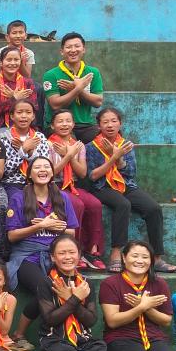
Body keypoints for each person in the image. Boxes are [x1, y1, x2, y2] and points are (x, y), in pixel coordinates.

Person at [85, 105, 176, 273]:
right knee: (123, 204)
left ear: (120, 123)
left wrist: (119, 158)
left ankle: (157, 258)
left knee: (153, 208)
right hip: (102, 186)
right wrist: (113, 157)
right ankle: (115, 253)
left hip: (125, 185)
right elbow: (93, 176)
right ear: (99, 126)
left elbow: (130, 173)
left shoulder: (125, 145)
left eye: (114, 121)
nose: (110, 125)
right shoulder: (91, 147)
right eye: (105, 122)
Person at [5, 156, 79, 335]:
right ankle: (19, 334)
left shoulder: (62, 197)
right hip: (26, 256)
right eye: (37, 167)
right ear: (29, 174)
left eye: (47, 167)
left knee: (70, 287)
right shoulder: (19, 197)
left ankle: (63, 334)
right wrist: (39, 226)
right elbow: (11, 236)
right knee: (45, 288)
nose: (42, 170)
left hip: (55, 256)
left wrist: (54, 228)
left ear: (52, 173)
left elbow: (72, 232)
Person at [48, 109, 105, 269]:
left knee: (94, 204)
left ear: (73, 124)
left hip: (72, 185)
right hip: (54, 185)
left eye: (68, 121)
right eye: (60, 121)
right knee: (77, 205)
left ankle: (92, 251)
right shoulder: (48, 144)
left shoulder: (78, 146)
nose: (64, 124)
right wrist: (66, 156)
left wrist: (71, 155)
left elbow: (82, 173)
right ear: (52, 125)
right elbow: (50, 173)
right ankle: (75, 250)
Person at [42, 32, 104, 139]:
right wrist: (78, 88)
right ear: (62, 51)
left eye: (77, 46)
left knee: (103, 139)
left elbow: (98, 102)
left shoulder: (92, 72)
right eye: (69, 47)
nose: (73, 50)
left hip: (85, 125)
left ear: (83, 49)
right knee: (70, 141)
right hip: (58, 125)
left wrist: (77, 89)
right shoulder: (51, 75)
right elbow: (55, 104)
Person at [0, 99, 51, 200]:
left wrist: (31, 153)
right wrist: (24, 150)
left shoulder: (39, 137)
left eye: (28, 112)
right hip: (12, 183)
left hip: (37, 182)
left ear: (33, 116)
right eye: (19, 112)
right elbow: (5, 171)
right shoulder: (4, 137)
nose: (24, 116)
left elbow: (45, 167)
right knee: (19, 199)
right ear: (12, 116)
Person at [0, 46, 38, 131]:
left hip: (25, 127)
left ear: (20, 62)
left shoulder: (28, 83)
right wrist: (14, 99)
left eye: (16, 60)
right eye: (9, 60)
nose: (13, 63)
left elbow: (34, 108)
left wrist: (16, 99)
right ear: (1, 63)